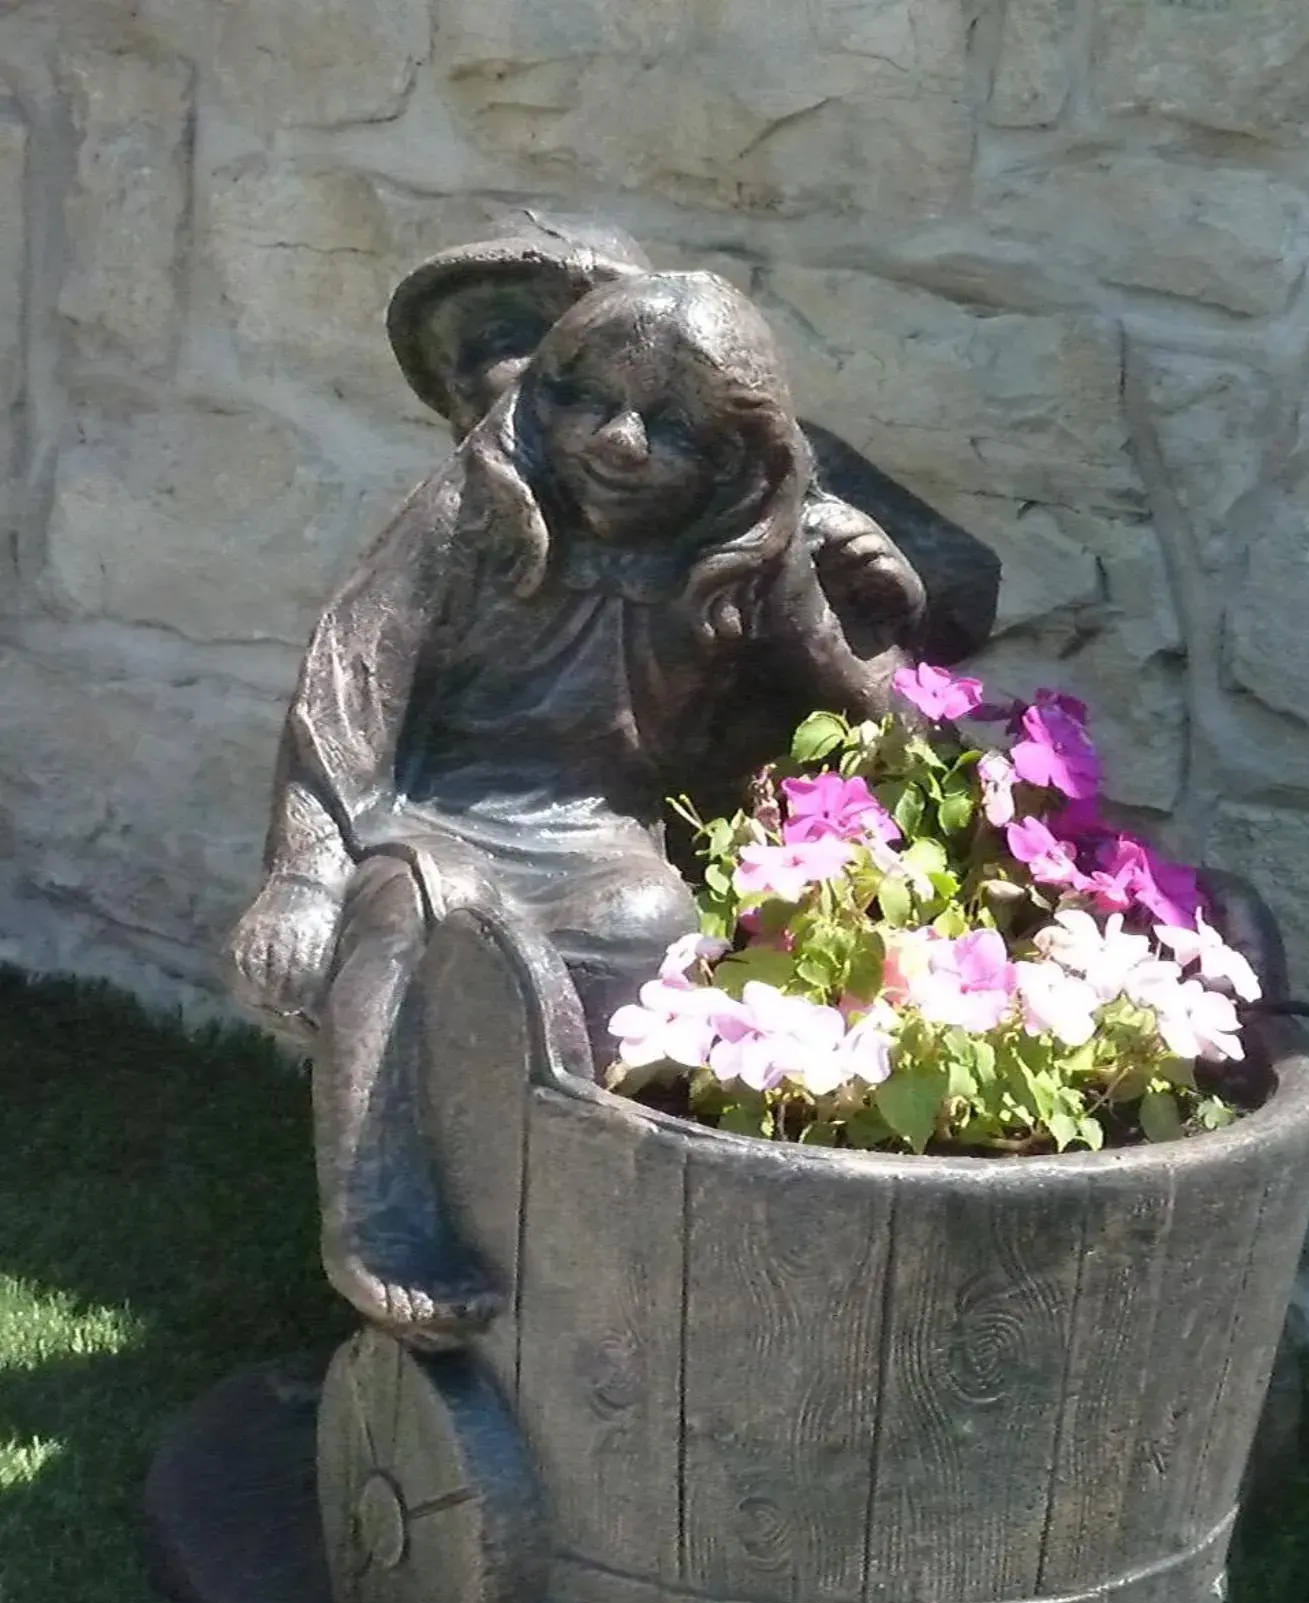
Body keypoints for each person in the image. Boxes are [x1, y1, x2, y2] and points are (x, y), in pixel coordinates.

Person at [227, 262, 922, 1340]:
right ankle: (379, 1216)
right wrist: (307, 876)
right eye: (588, 400)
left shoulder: (748, 557)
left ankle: (579, 1231)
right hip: (434, 816)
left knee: (649, 923)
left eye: (671, 428)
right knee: (426, 900)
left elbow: (866, 720)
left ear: (742, 461)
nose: (618, 442)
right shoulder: (478, 500)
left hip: (597, 836)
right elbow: (350, 679)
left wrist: (881, 609)